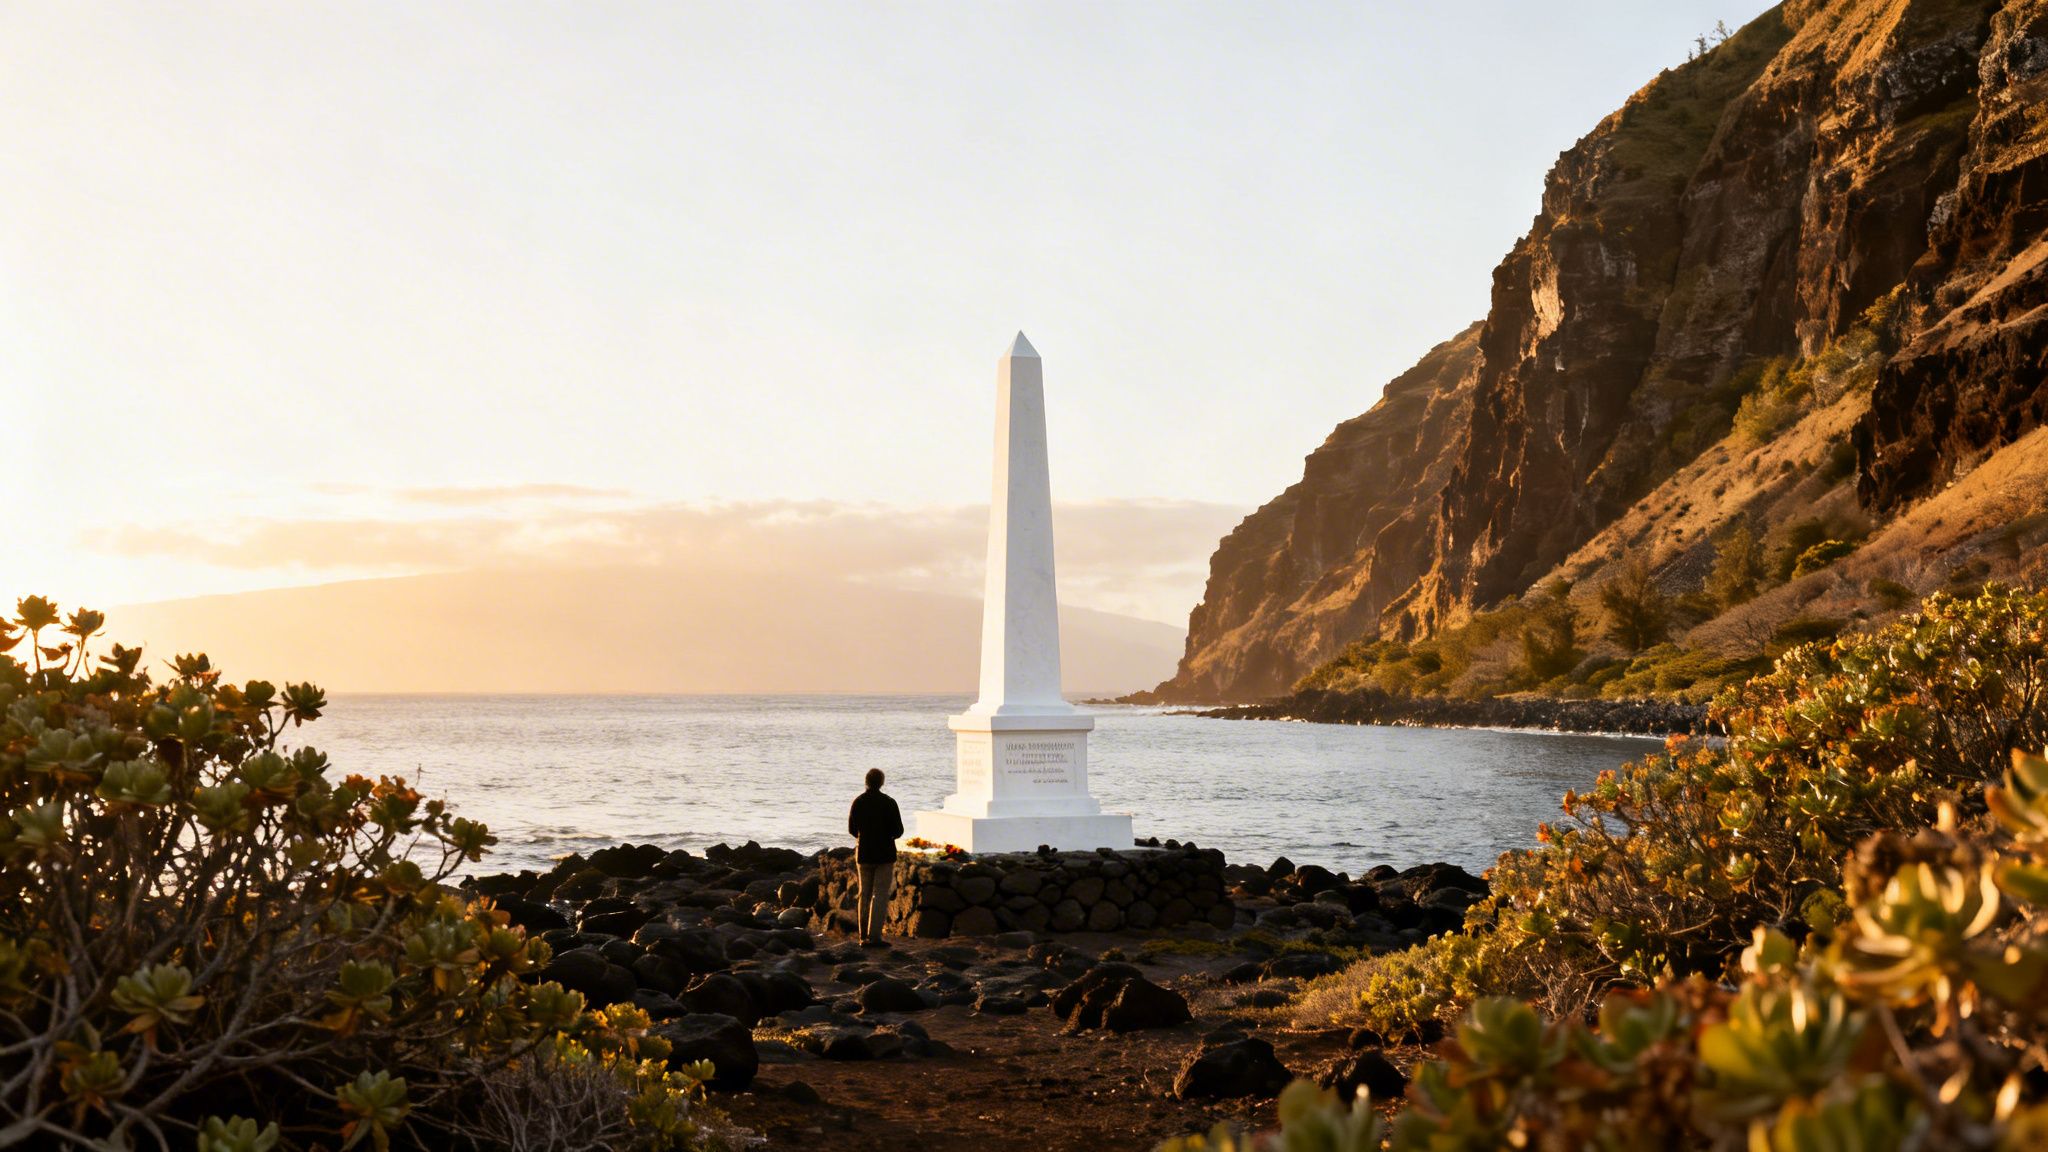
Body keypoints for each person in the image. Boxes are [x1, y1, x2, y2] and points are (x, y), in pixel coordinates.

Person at [846, 768, 903, 946]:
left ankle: (863, 936)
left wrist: (864, 837)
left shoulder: (858, 802)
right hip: (884, 854)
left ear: (866, 782)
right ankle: (875, 936)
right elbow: (898, 831)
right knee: (879, 895)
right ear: (881, 783)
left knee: (864, 894)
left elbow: (852, 829)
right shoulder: (889, 803)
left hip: (864, 853)